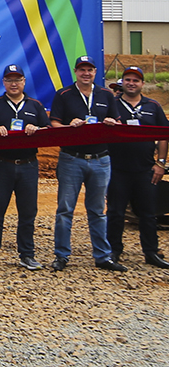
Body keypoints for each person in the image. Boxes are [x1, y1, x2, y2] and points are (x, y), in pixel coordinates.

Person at [50, 55, 124, 272]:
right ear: (76, 72)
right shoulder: (63, 95)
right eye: (82, 69)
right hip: (72, 159)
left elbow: (118, 122)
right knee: (65, 209)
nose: (86, 73)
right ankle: (61, 255)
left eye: (89, 70)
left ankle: (102, 256)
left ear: (95, 72)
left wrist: (112, 122)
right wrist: (68, 126)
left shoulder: (106, 95)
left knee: (98, 210)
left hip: (101, 159)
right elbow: (54, 123)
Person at [0, 65, 50, 271]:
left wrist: (37, 128)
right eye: (9, 80)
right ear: (3, 82)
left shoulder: (35, 105)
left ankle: (27, 255)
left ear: (24, 82)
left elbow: (47, 129)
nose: (13, 83)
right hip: (2, 164)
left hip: (28, 164)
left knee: (28, 212)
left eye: (17, 79)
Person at [106, 66, 169, 269]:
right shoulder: (112, 104)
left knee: (148, 214)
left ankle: (151, 252)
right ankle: (114, 251)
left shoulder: (153, 106)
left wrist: (160, 163)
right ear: (122, 82)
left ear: (142, 83)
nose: (131, 83)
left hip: (145, 170)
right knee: (115, 212)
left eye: (136, 80)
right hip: (117, 169)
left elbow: (163, 135)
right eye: (128, 80)